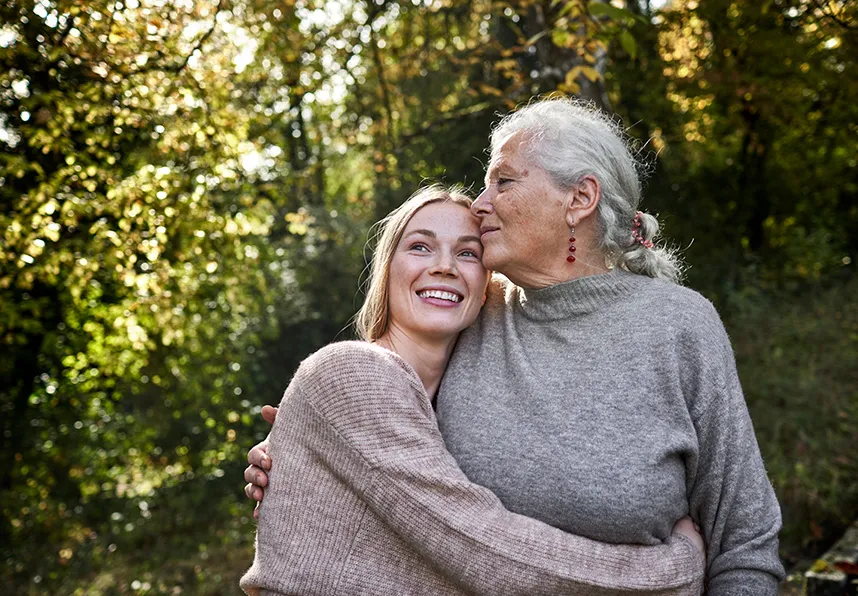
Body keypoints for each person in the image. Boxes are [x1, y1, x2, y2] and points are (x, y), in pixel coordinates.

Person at [245, 98, 786, 594]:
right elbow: (382, 409)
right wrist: (298, 450)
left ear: (579, 198)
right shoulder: (477, 312)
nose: (481, 204)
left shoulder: (679, 326)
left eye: (503, 181)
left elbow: (745, 542)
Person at [240, 185, 706, 596]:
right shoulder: (353, 373)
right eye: (421, 247)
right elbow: (483, 551)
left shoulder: (451, 408)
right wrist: (673, 570)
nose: (444, 267)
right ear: (387, 269)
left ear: (486, 286)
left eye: (467, 253)